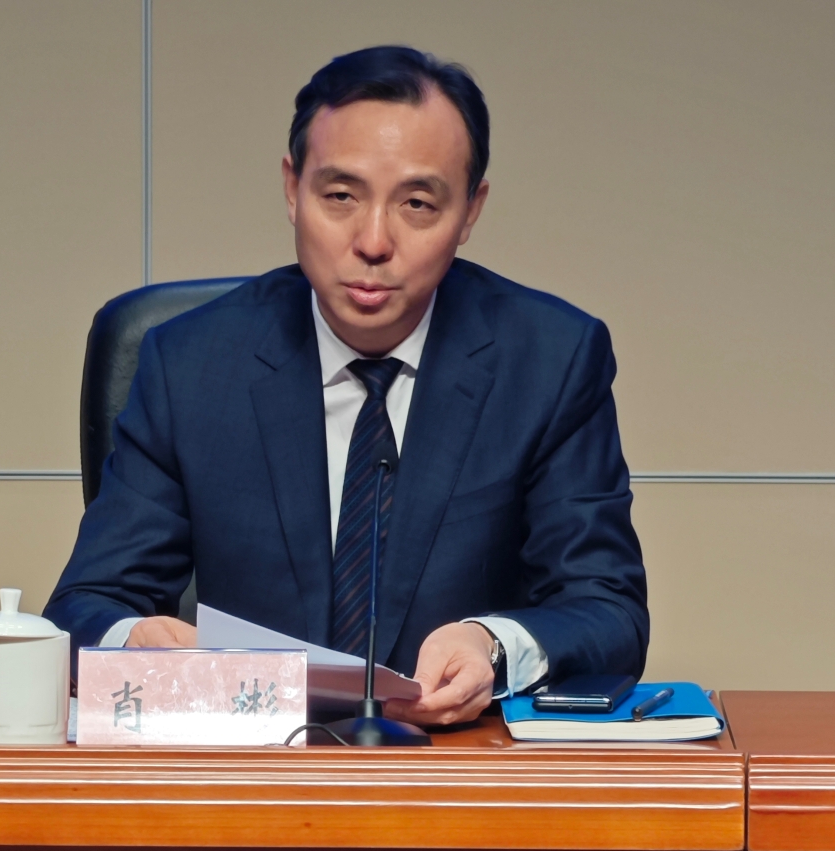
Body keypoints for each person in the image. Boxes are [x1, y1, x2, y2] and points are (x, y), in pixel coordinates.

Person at [45, 45, 648, 726]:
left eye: (417, 203)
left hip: (454, 769)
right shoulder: (190, 365)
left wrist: (492, 644)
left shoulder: (549, 360)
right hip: (248, 769)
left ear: (470, 211)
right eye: (340, 196)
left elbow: (608, 611)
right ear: (291, 188)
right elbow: (81, 608)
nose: (373, 240)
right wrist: (134, 639)